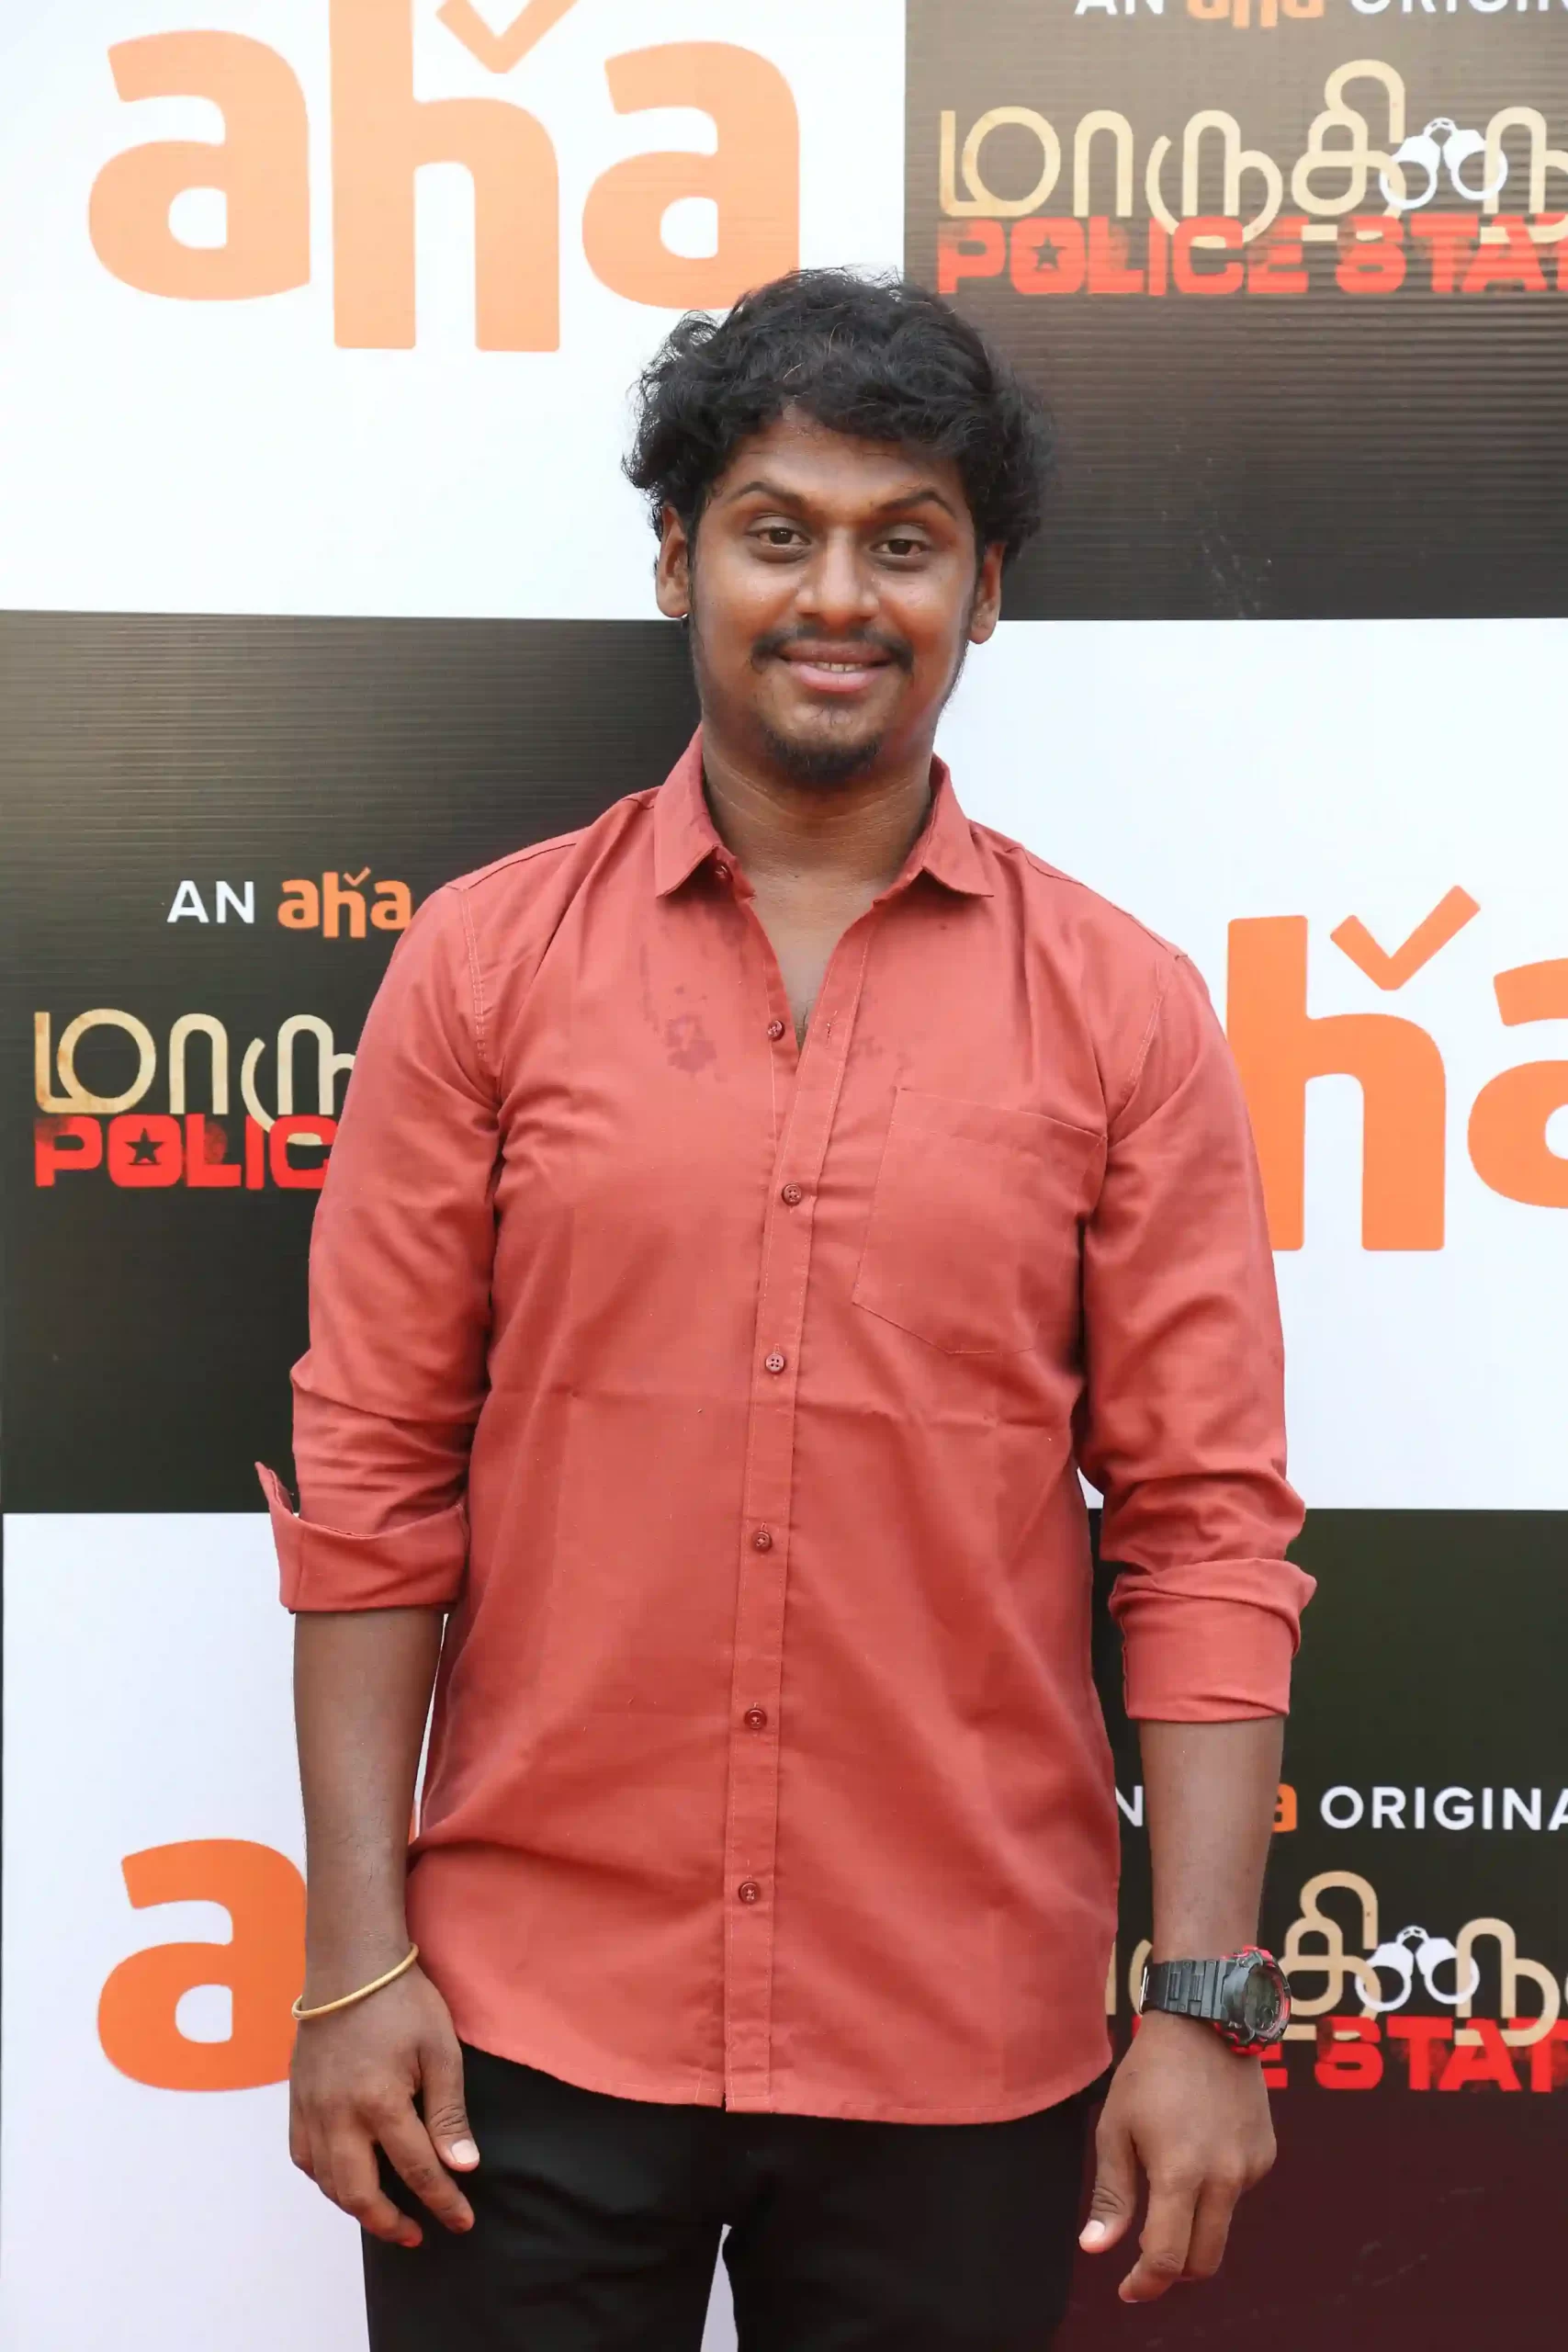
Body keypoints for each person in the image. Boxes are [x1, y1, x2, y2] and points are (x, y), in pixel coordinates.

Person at [262, 269, 1313, 2352]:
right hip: (522, 2027)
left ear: (982, 590)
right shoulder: (483, 967)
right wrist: (354, 1960)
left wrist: (1200, 2005)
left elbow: (1203, 1528)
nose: (838, 595)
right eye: (776, 531)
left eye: (903, 542)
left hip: (962, 2033)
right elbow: (371, 1483)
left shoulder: (1123, 1012)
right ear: (678, 559)